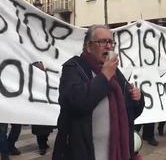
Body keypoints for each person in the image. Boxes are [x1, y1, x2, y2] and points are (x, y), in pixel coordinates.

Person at [52, 25, 145, 160]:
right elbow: (75, 102)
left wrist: (138, 99)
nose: (108, 46)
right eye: (102, 42)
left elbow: (130, 114)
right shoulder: (74, 68)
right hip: (83, 153)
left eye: (111, 42)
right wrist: (104, 77)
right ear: (89, 46)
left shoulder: (115, 74)